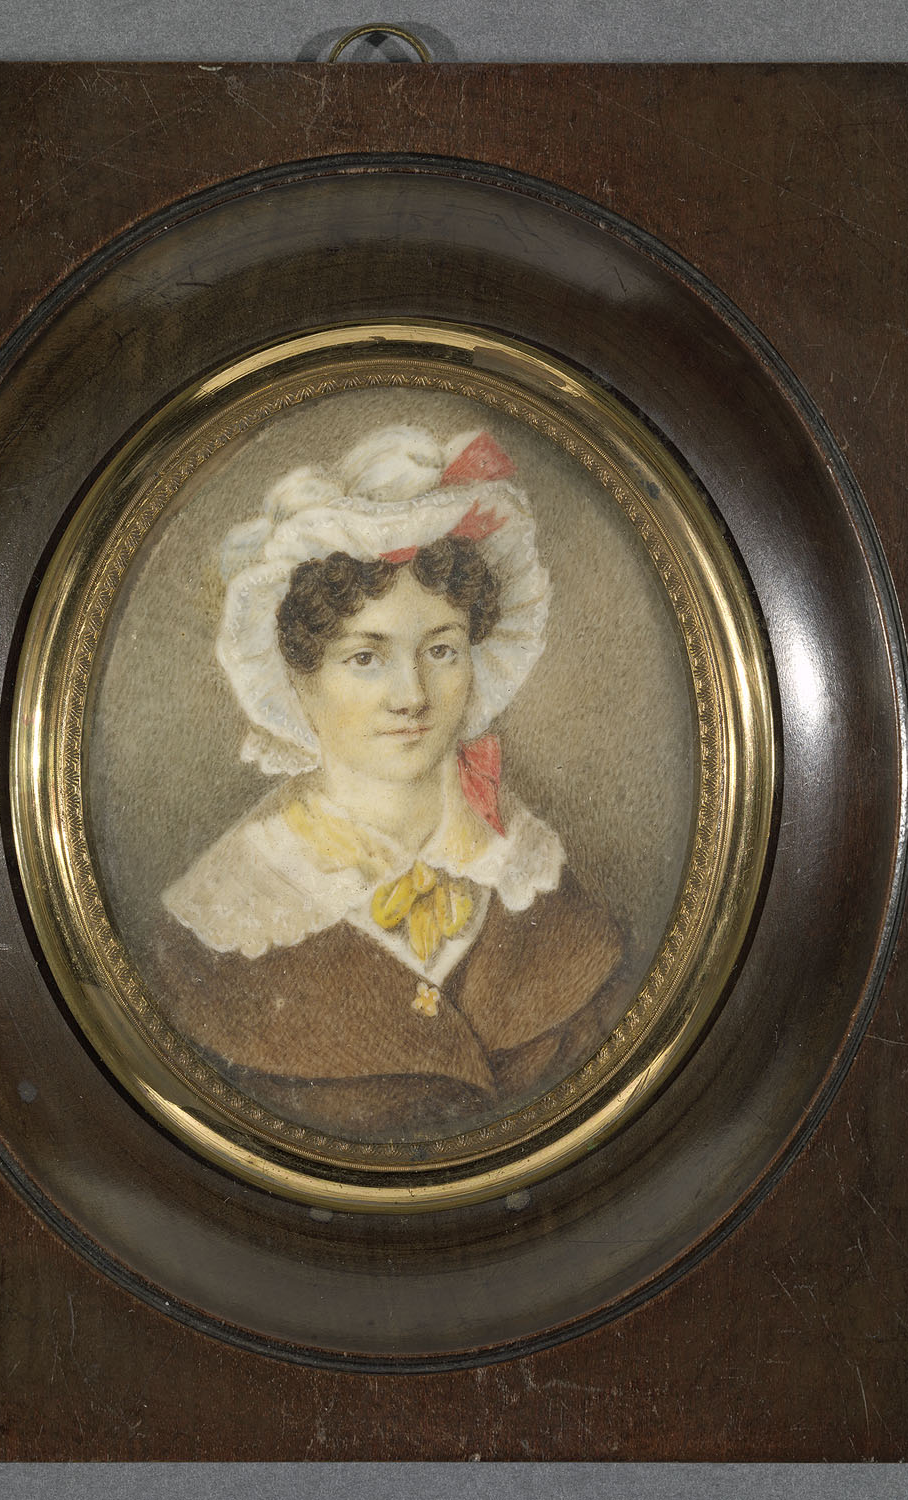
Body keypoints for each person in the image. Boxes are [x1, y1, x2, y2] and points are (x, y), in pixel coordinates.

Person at [159, 423, 626, 1143]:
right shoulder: (223, 923)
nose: (411, 696)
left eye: (441, 650)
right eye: (365, 658)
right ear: (298, 680)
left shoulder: (540, 885)